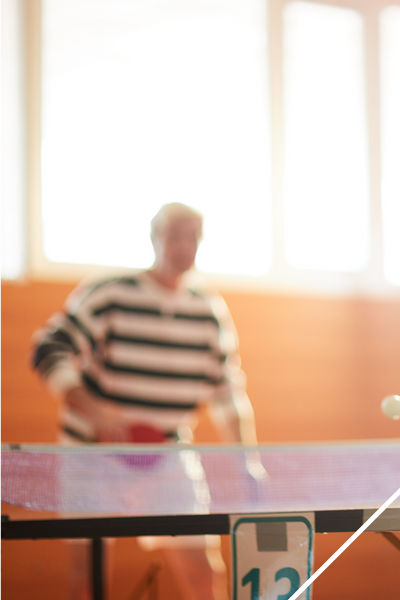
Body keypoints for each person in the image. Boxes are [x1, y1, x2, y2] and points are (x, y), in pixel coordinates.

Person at [31, 202, 260, 600]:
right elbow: (48, 349)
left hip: (168, 455)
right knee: (87, 580)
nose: (184, 246)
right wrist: (96, 413)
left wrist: (248, 461)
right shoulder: (110, 294)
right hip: (92, 454)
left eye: (193, 237)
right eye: (175, 235)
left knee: (204, 575)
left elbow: (229, 396)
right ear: (155, 238)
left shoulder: (209, 312)